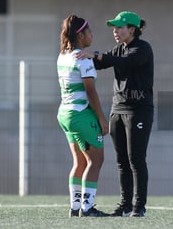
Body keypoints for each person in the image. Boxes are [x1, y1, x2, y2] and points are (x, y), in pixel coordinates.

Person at [76, 11, 154, 217]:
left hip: (138, 111)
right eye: (114, 27)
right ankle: (125, 205)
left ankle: (139, 207)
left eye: (119, 27)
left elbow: (126, 62)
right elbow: (103, 62)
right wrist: (78, 55)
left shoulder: (142, 48)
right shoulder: (119, 49)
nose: (115, 31)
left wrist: (97, 55)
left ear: (132, 29)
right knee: (121, 161)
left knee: (136, 159)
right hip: (117, 110)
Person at [57, 14, 110, 217]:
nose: (92, 35)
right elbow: (91, 91)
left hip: (65, 114)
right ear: (81, 35)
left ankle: (75, 207)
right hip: (80, 115)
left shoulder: (62, 55)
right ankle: (87, 209)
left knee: (79, 162)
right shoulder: (83, 59)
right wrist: (102, 119)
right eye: (89, 32)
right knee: (95, 162)